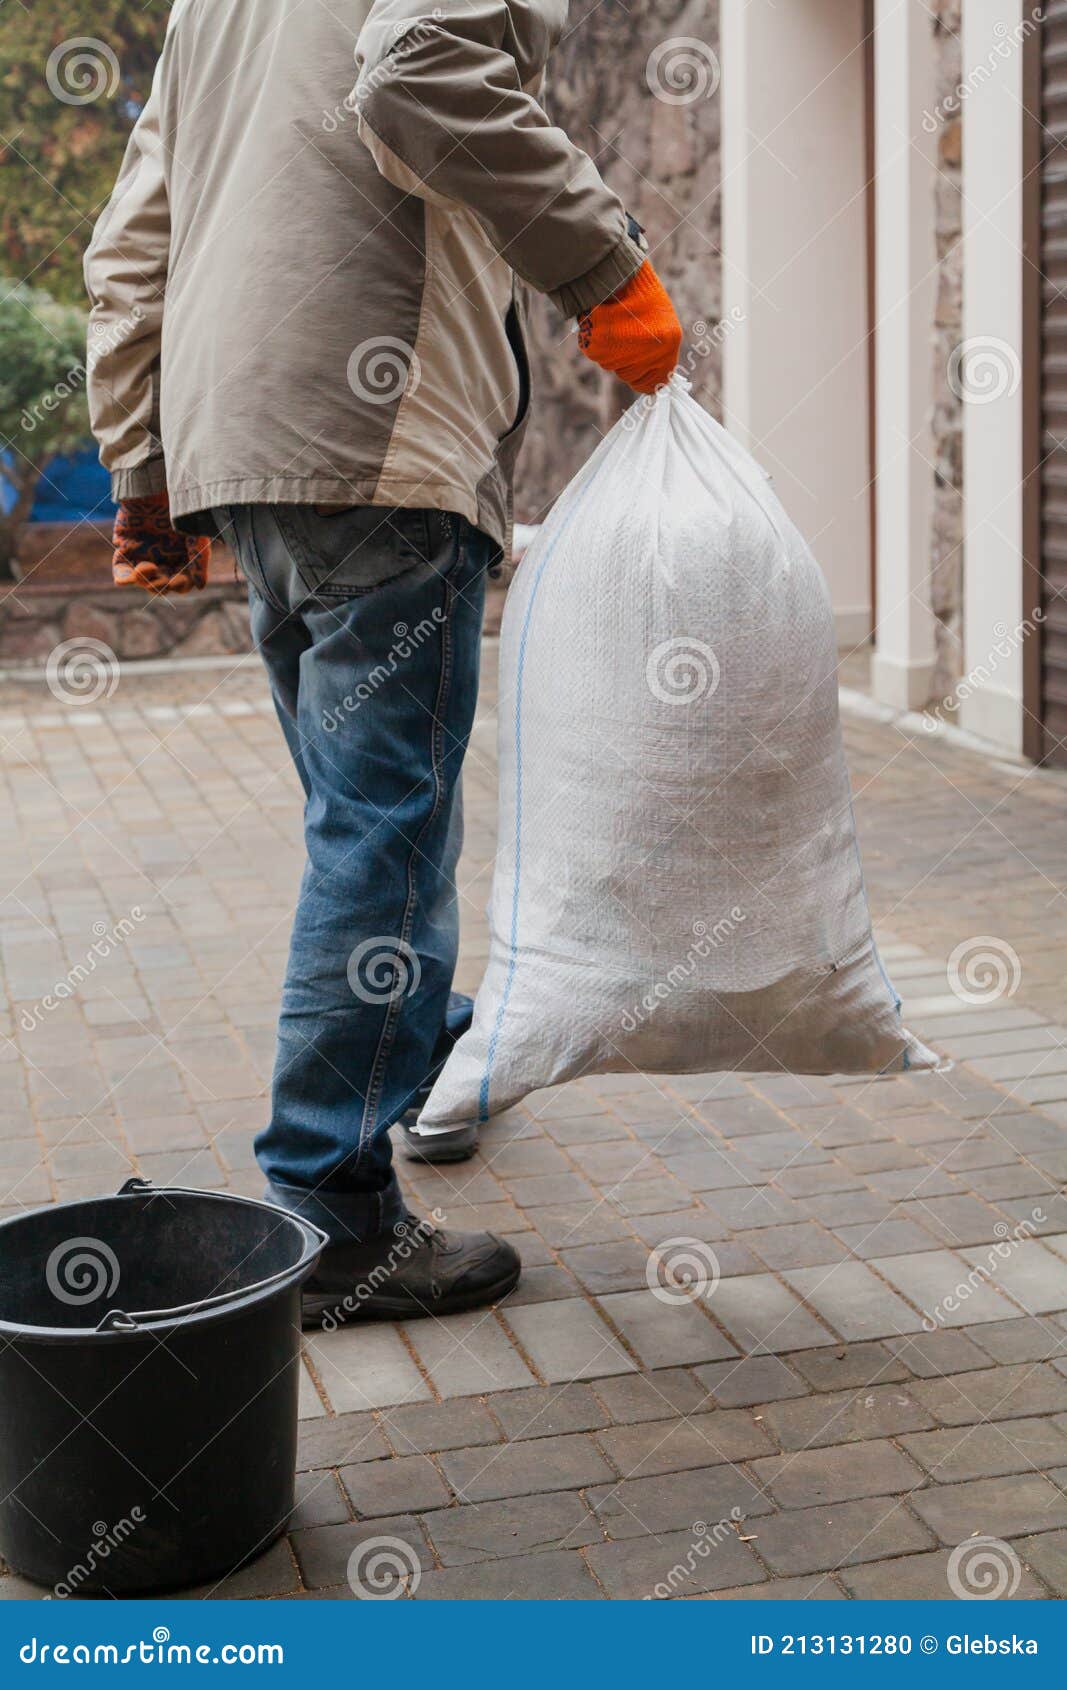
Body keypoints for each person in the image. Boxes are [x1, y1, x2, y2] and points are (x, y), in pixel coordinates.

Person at [85, 0, 682, 1324]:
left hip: (246, 448)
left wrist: (140, 463)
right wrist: (606, 268)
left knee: (361, 824)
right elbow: (420, 64)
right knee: (384, 837)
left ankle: (414, 1039)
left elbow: (133, 238)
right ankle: (333, 1209)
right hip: (377, 439)